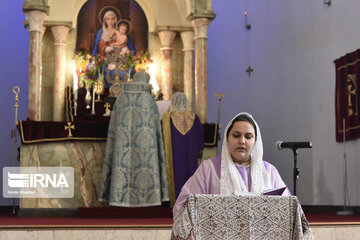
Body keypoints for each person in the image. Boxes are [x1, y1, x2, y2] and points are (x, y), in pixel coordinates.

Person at [172, 112, 291, 216]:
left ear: (255, 142)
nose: (242, 141)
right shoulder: (209, 168)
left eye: (248, 137)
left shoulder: (269, 171)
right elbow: (183, 205)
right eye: (236, 135)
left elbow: (288, 208)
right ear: (227, 138)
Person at [99, 71, 169, 207]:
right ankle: (149, 198)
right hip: (146, 150)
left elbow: (113, 128)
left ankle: (119, 197)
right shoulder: (149, 100)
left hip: (122, 147)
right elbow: (156, 129)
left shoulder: (121, 98)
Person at [162, 92, 204, 206]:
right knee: (190, 176)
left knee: (176, 176)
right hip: (191, 156)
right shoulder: (194, 116)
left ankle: (175, 203)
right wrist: (199, 151)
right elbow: (201, 137)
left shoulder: (167, 118)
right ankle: (190, 202)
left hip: (174, 155)